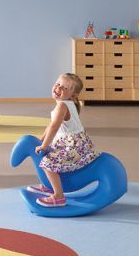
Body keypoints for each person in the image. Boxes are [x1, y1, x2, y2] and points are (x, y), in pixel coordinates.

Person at [27, 73, 100, 207]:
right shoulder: (66, 103)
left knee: (47, 163)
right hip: (73, 142)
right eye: (58, 84)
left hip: (73, 146)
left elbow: (54, 127)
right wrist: (41, 139)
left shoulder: (62, 105)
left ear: (73, 95)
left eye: (64, 88)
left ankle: (59, 196)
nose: (58, 88)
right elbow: (51, 124)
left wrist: (44, 145)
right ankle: (49, 186)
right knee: (52, 157)